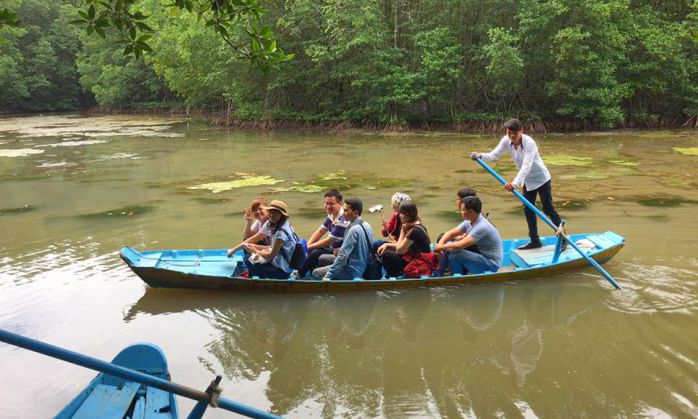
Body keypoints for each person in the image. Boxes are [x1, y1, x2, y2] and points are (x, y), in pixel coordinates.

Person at [473, 118, 562, 250]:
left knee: (548, 209)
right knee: (528, 210)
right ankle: (535, 241)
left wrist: (515, 183)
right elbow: (493, 155)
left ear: (522, 131)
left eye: (515, 133)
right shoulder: (506, 140)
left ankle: (563, 238)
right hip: (528, 181)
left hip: (541, 179)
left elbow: (526, 166)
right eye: (509, 133)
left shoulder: (529, 143)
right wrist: (481, 156)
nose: (512, 136)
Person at [435, 196, 502, 275]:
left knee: (454, 252)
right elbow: (449, 233)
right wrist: (440, 245)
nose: (461, 212)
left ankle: (441, 274)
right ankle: (451, 275)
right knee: (451, 251)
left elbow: (460, 245)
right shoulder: (469, 221)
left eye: (463, 210)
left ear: (470, 212)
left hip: (491, 265)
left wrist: (440, 247)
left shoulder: (482, 226)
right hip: (480, 257)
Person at [312, 198, 373, 280]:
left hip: (352, 270)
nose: (343, 214)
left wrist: (328, 275)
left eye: (346, 211)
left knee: (316, 273)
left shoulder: (353, 230)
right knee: (322, 258)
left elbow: (343, 256)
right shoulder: (367, 225)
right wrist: (341, 249)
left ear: (355, 213)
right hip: (362, 264)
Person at [297, 189, 350, 278]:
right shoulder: (332, 215)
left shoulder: (343, 219)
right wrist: (307, 247)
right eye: (326, 203)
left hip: (341, 250)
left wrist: (308, 247)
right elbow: (320, 232)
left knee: (315, 252)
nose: (328, 206)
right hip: (333, 246)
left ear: (340, 203)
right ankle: (308, 272)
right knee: (311, 248)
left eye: (331, 204)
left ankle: (300, 275)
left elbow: (328, 241)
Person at [376, 201, 437, 278]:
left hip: (420, 262)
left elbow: (399, 250)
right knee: (382, 247)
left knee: (387, 255)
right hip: (413, 257)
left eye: (402, 213)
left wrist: (402, 230)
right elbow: (401, 245)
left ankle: (395, 277)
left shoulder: (414, 230)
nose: (400, 216)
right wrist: (387, 244)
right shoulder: (414, 226)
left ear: (409, 214)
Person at [241, 200, 298, 279]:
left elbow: (271, 255)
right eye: (271, 212)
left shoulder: (280, 233)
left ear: (281, 215)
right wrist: (255, 247)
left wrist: (255, 251)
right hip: (284, 262)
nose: (271, 215)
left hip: (282, 270)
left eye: (276, 213)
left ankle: (262, 279)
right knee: (249, 251)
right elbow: (272, 247)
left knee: (247, 259)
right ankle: (259, 275)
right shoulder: (286, 224)